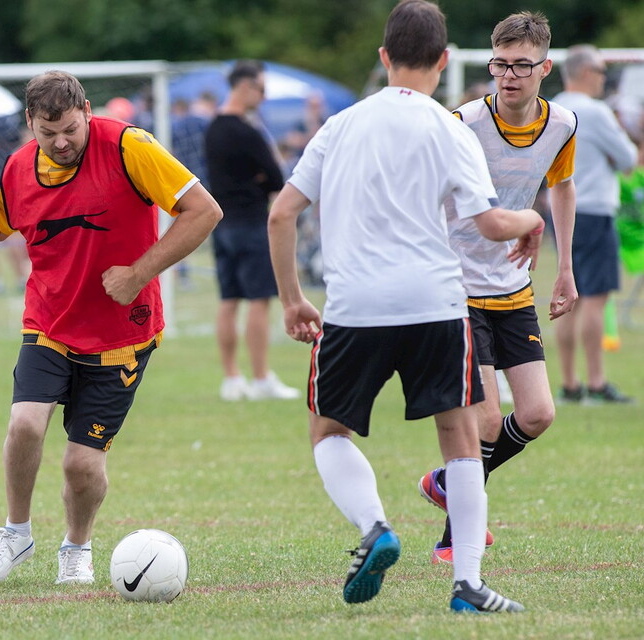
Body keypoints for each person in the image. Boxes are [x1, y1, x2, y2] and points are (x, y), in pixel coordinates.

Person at [267, 0, 542, 613]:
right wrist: (533, 219)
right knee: (461, 440)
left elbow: (281, 213)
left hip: (354, 306)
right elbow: (492, 224)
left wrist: (292, 301)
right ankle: (467, 585)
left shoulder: (339, 125)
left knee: (327, 431)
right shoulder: (450, 128)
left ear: (384, 56)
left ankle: (375, 528)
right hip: (436, 303)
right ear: (443, 61)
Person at [0, 70, 221, 586]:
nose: (61, 143)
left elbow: (204, 212)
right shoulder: (19, 165)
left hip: (122, 333)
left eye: (70, 131)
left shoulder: (129, 147)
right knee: (25, 424)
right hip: (49, 322)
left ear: (87, 112)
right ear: (30, 122)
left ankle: (76, 547)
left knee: (81, 465)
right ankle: (15, 533)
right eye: (48, 132)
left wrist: (139, 273)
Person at [415, 11, 579, 565]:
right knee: (484, 420)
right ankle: (454, 538)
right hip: (456, 286)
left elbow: (561, 187)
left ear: (545, 68)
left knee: (537, 414)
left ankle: (448, 483)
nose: (509, 75)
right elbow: (423, 190)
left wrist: (565, 268)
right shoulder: (461, 122)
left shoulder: (563, 125)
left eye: (521, 65)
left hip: (513, 286)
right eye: (500, 64)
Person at [205, 60, 300, 402]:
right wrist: (258, 179)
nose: (264, 96)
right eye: (261, 89)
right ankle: (261, 378)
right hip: (250, 223)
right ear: (245, 87)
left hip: (221, 223)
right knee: (259, 300)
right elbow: (276, 179)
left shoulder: (213, 128)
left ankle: (232, 377)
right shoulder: (248, 132)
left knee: (228, 300)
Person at [553, 45, 638, 404]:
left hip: (561, 211)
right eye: (601, 72)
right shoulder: (596, 111)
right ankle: (597, 382)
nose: (604, 79)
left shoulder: (552, 108)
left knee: (566, 297)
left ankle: (569, 382)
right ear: (587, 72)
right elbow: (628, 157)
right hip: (596, 210)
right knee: (594, 299)